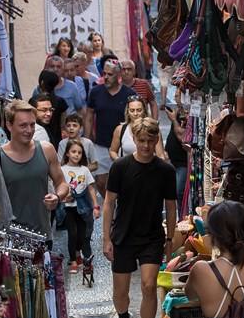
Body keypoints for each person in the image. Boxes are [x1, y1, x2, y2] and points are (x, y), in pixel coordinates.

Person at [102, 117, 177, 318]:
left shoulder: (165, 170)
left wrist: (169, 239)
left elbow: (171, 206)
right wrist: (106, 238)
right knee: (120, 293)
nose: (145, 146)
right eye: (141, 140)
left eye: (150, 140)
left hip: (151, 236)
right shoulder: (121, 167)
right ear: (134, 140)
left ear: (157, 140)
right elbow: (109, 203)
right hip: (123, 234)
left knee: (148, 285)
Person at [0, 99, 68, 240]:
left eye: (32, 125)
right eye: (23, 125)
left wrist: (57, 196)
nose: (29, 130)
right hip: (9, 238)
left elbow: (62, 183)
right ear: (9, 125)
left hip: (42, 235)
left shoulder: (46, 150)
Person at [85, 59, 132, 196]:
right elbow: (89, 117)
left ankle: (119, 206)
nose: (105, 77)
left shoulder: (128, 94)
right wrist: (87, 141)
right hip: (101, 143)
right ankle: (110, 206)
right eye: (104, 73)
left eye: (109, 74)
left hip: (122, 145)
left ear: (118, 76)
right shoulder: (95, 92)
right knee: (100, 181)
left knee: (123, 181)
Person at [59, 138, 100, 273]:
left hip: (83, 207)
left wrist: (95, 206)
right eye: (73, 152)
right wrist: (63, 196)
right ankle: (73, 260)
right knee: (73, 233)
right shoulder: (62, 170)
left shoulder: (84, 170)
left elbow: (91, 188)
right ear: (67, 154)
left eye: (79, 153)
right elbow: (57, 186)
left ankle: (78, 253)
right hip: (68, 207)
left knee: (82, 234)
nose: (76, 155)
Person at [109, 97, 166, 161]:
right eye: (132, 110)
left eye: (139, 110)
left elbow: (161, 155)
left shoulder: (153, 129)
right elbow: (112, 151)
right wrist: (120, 162)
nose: (135, 114)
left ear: (144, 110)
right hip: (127, 169)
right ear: (128, 111)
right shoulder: (120, 129)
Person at [31, 70, 67, 147]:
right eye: (44, 110)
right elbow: (63, 121)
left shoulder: (34, 100)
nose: (48, 113)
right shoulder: (60, 101)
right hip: (56, 139)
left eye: (51, 110)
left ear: (42, 83)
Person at [164, 105, 188, 211]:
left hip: (183, 163)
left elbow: (182, 137)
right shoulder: (179, 110)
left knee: (179, 192)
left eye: (178, 94)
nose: (176, 96)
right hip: (173, 161)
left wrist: (173, 119)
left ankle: (183, 216)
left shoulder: (187, 114)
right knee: (172, 192)